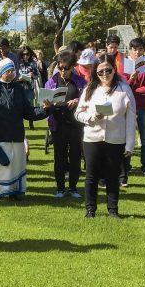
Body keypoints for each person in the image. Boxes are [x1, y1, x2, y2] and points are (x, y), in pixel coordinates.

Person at [76, 56, 137, 218]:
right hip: (92, 138)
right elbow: (78, 113)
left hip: (116, 139)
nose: (105, 74)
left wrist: (130, 144)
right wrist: (92, 117)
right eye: (100, 71)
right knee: (91, 175)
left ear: (114, 70)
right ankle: (90, 209)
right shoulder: (90, 88)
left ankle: (113, 210)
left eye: (108, 70)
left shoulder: (124, 89)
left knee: (112, 175)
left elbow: (131, 118)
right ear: (95, 72)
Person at [0, 59, 51, 200]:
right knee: (2, 166)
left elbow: (28, 112)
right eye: (7, 71)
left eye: (12, 71)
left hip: (17, 135)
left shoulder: (19, 89)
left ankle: (15, 192)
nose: (11, 73)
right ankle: (0, 192)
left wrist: (44, 110)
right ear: (0, 72)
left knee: (16, 166)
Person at [44, 50, 85, 199]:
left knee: (75, 156)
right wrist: (49, 104)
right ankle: (60, 188)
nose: (63, 71)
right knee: (59, 157)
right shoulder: (51, 82)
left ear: (73, 67)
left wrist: (77, 101)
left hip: (75, 125)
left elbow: (87, 100)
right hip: (58, 124)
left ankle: (73, 188)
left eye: (66, 68)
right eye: (60, 68)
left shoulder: (80, 82)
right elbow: (44, 100)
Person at [126, 37, 145, 176]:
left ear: (144, 51)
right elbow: (122, 87)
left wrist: (132, 90)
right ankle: (125, 166)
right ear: (130, 50)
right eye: (134, 49)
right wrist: (131, 80)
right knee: (127, 138)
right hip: (127, 108)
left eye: (140, 49)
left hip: (144, 107)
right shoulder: (124, 67)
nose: (137, 52)